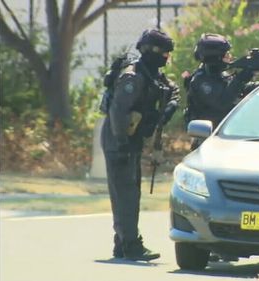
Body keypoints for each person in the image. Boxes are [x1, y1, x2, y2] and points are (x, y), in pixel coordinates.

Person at [100, 29, 180, 261]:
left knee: (129, 191)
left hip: (129, 139)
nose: (166, 57)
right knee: (126, 194)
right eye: (164, 52)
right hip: (119, 139)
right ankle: (132, 245)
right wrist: (123, 143)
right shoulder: (132, 76)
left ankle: (122, 243)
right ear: (151, 51)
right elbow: (118, 111)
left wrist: (171, 104)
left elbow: (170, 89)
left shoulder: (150, 73)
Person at [184, 33, 259, 150]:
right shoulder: (201, 81)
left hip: (226, 138)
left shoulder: (220, 75)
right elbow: (222, 102)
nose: (230, 57)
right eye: (226, 54)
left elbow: (240, 89)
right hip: (208, 142)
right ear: (216, 57)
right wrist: (242, 77)